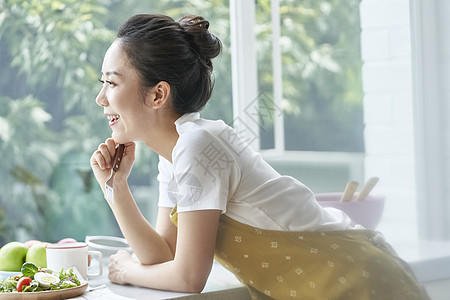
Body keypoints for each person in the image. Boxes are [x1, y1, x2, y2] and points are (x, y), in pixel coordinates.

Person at [90, 14, 429, 299]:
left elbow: (188, 276)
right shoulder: (176, 154)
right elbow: (165, 254)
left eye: (112, 83)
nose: (100, 98)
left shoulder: (199, 148)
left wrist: (128, 270)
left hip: (356, 281)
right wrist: (116, 189)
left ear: (158, 94)